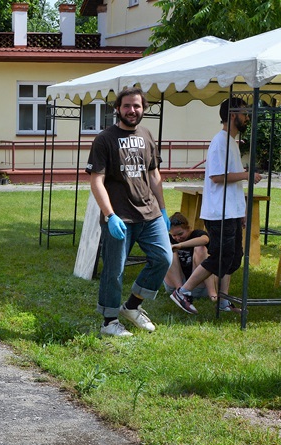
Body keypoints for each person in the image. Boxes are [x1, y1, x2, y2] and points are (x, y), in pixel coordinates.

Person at [86, 87, 173, 337]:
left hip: (150, 213)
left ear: (143, 108)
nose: (132, 110)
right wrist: (109, 215)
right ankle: (109, 322)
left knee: (163, 259)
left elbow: (154, 174)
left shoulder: (146, 135)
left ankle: (132, 306)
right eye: (127, 106)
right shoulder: (104, 139)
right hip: (120, 216)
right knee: (115, 270)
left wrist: (163, 210)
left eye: (136, 106)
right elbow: (96, 181)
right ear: (117, 109)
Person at [170, 97, 261, 315]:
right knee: (221, 257)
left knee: (233, 258)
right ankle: (183, 291)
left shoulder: (231, 143)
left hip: (230, 211)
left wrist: (241, 211)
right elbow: (217, 176)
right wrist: (247, 175)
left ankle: (223, 301)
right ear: (232, 115)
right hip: (219, 213)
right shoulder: (220, 142)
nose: (247, 117)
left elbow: (231, 183)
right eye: (244, 113)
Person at [163, 212, 216, 302]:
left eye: (180, 234)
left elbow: (205, 240)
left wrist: (180, 245)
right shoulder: (169, 238)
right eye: (174, 235)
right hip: (176, 283)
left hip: (198, 284)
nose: (177, 238)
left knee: (201, 248)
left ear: (189, 229)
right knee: (168, 251)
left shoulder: (196, 234)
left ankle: (212, 293)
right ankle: (180, 293)